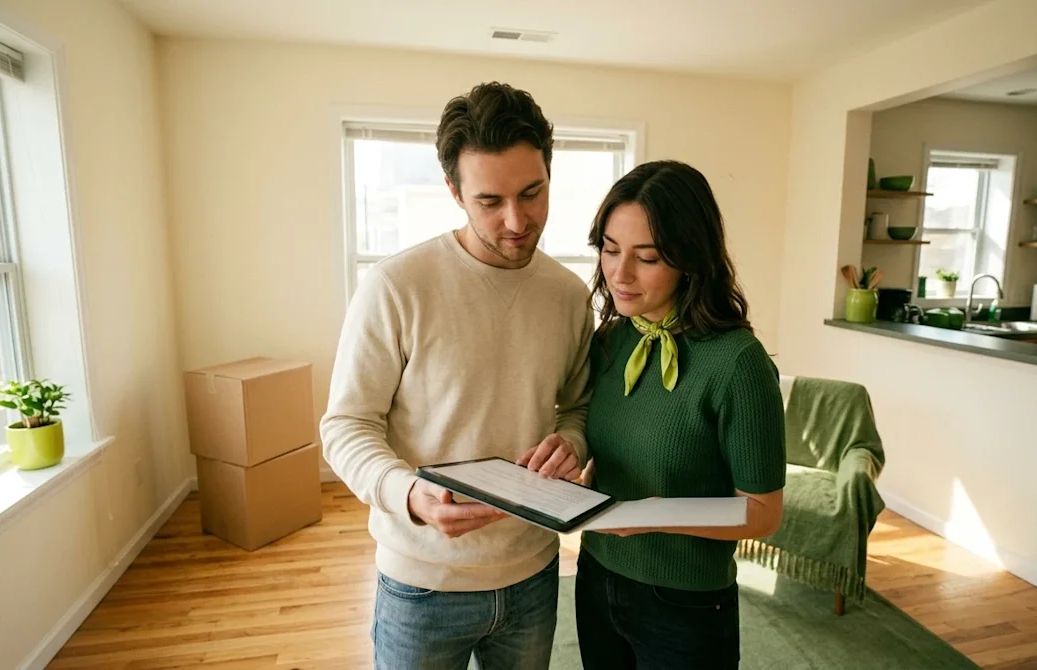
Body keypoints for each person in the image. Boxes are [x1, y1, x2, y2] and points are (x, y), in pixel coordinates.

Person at [319, 81, 594, 670]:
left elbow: (578, 407)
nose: (517, 221)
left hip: (535, 574)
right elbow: (346, 426)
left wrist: (569, 444)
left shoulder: (569, 296)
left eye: (533, 193)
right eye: (490, 201)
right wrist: (410, 495)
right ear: (454, 191)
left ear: (550, 172)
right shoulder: (396, 287)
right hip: (422, 586)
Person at [574, 160, 787, 669]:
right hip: (596, 576)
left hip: (684, 602)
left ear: (691, 258)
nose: (619, 274)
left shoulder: (737, 364)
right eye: (609, 249)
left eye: (646, 258)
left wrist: (644, 516)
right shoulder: (611, 340)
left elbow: (763, 511)